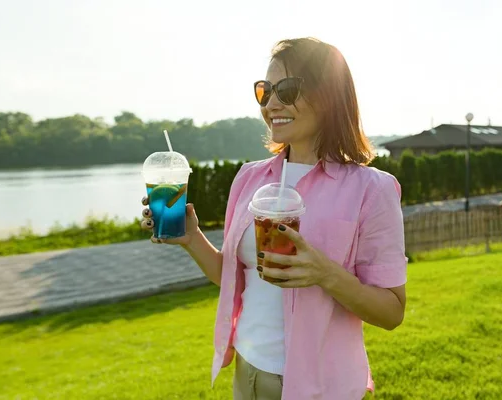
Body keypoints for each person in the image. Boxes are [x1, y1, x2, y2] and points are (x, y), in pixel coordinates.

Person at [141, 37, 407, 400]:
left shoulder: (372, 189)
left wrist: (326, 274)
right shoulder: (250, 178)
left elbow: (392, 312)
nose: (272, 103)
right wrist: (192, 237)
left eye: (288, 89)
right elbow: (235, 277)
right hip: (248, 371)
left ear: (329, 95)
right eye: (265, 91)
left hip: (320, 387)